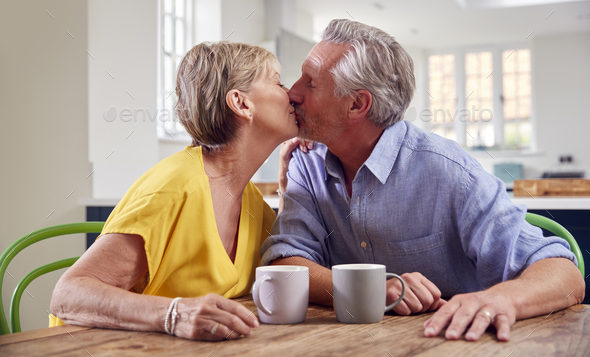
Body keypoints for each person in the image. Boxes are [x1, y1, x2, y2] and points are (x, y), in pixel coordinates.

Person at [261, 19, 585, 342]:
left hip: (454, 343)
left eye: (310, 82)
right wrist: (369, 289)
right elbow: (288, 260)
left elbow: (565, 276)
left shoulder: (448, 170)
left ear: (357, 104)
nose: (292, 92)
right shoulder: (305, 160)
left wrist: (502, 299)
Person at [50, 41, 302, 341]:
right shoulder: (174, 188)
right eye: (278, 82)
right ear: (241, 103)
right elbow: (68, 294)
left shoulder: (252, 202)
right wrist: (175, 314)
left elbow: (283, 268)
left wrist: (291, 190)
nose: (292, 94)